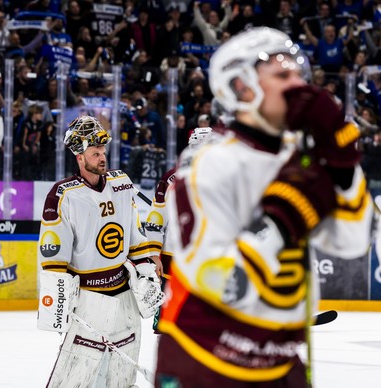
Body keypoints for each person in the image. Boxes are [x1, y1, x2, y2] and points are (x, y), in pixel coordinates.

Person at [156, 27, 373, 387]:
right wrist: (281, 221)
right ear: (243, 87)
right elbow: (221, 282)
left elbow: (351, 242)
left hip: (281, 363)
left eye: (300, 75)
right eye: (283, 75)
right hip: (205, 361)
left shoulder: (301, 159)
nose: (299, 85)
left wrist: (343, 168)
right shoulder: (210, 164)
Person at [37, 115, 164, 388]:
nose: (102, 157)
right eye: (95, 153)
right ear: (80, 157)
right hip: (88, 300)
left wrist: (147, 274)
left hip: (124, 296)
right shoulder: (63, 195)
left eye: (103, 151)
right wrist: (57, 307)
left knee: (121, 379)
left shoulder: (121, 185)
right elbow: (53, 256)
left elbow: (135, 238)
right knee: (74, 379)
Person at [145, 127, 214, 332]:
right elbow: (156, 220)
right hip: (175, 257)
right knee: (167, 324)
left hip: (205, 256)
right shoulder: (171, 179)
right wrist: (153, 254)